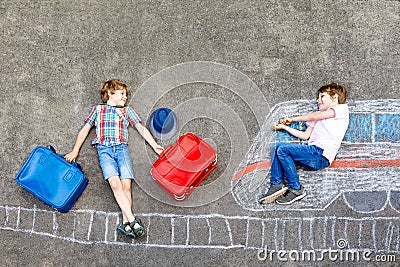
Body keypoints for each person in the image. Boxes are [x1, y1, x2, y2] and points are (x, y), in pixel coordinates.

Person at [65, 79, 164, 238]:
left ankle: (126, 224)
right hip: (104, 150)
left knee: (126, 185)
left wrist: (154, 145)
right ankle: (133, 220)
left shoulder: (127, 111)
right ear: (110, 93)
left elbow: (140, 128)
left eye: (126, 94)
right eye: (122, 93)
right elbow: (85, 130)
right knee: (114, 183)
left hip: (121, 150)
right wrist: (75, 151)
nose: (125, 97)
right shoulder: (98, 110)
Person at [259, 83, 349, 205]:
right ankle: (276, 184)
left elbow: (313, 116)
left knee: (283, 150)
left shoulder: (341, 109)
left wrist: (292, 119)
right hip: (312, 153)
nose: (318, 100)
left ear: (334, 98)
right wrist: (285, 128)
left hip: (321, 155)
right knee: (276, 147)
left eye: (322, 96)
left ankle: (296, 188)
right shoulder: (318, 117)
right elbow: (305, 135)